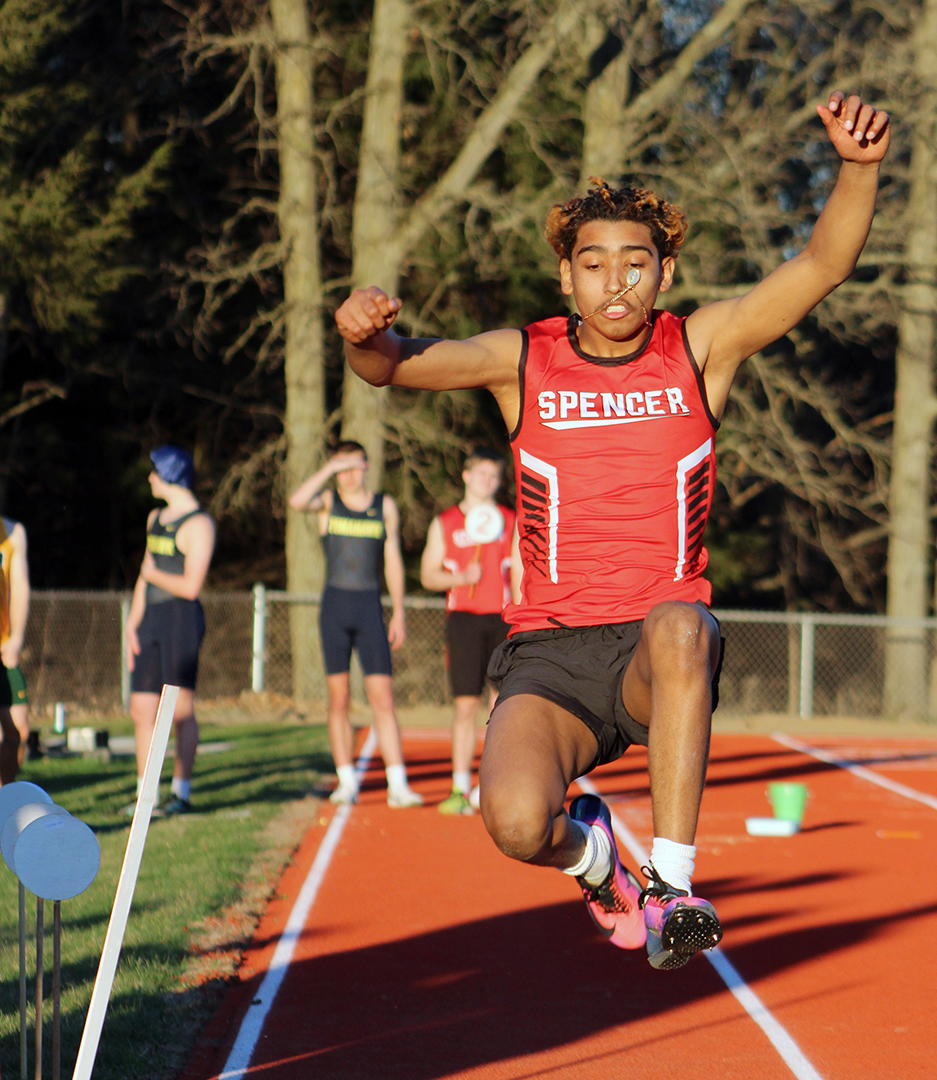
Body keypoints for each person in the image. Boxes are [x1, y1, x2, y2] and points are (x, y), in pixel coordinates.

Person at [334, 91, 890, 969]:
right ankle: (598, 861)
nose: (617, 281)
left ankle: (670, 886)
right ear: (567, 277)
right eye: (595, 264)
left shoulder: (700, 348)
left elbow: (822, 264)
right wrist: (360, 333)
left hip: (655, 652)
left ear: (666, 272)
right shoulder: (523, 360)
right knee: (516, 823)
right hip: (550, 652)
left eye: (637, 263)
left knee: (681, 626)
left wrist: (856, 170)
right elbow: (394, 366)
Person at [288, 442, 421, 808]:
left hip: (369, 609)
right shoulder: (327, 502)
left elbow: (392, 559)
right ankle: (346, 781)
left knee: (383, 698)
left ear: (366, 466)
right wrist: (329, 469)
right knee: (339, 698)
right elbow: (297, 501)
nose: (348, 474)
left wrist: (399, 611)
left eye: (353, 466)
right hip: (335, 608)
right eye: (341, 468)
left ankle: (398, 784)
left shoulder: (384, 506)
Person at [420, 447, 515, 815]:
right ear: (466, 475)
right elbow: (428, 575)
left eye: (494, 475)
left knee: (501, 704)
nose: (487, 481)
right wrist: (461, 577)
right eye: (481, 474)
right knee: (465, 705)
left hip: (504, 619)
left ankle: (492, 784)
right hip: (463, 619)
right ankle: (460, 787)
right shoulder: (445, 522)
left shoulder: (510, 520)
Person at [125, 446, 216, 815]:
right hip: (151, 619)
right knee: (141, 709)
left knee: (180, 711)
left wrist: (151, 575)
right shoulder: (155, 518)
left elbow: (191, 587)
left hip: (181, 620)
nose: (150, 478)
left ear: (170, 475)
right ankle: (144, 797)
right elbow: (144, 574)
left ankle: (181, 793)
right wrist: (133, 621)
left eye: (155, 472)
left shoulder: (199, 525)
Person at [0, 517, 30, 784]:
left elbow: (20, 588)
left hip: (3, 646)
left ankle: (6, 797)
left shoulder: (13, 533)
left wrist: (17, 638)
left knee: (19, 730)